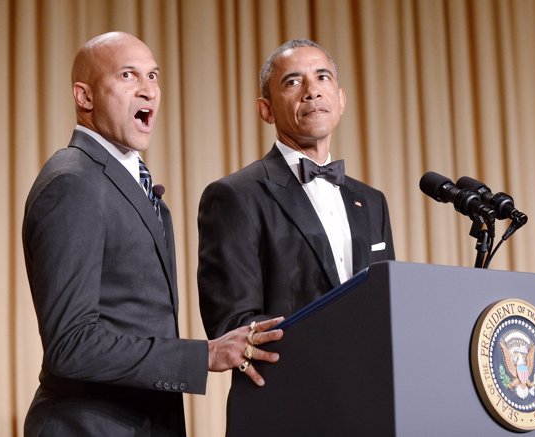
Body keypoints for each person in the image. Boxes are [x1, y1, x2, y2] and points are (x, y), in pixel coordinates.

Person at [22, 31, 282, 437]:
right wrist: (205, 355)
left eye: (154, 76)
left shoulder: (133, 188)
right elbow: (70, 344)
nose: (148, 90)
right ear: (84, 96)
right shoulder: (73, 181)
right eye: (128, 76)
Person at [197, 39, 395, 339]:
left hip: (370, 381)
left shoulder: (371, 201)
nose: (312, 91)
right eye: (293, 82)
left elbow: (386, 304)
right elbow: (232, 322)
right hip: (291, 381)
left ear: (341, 99)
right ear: (266, 110)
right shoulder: (235, 196)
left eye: (322, 77)